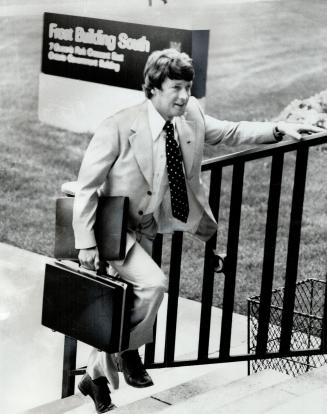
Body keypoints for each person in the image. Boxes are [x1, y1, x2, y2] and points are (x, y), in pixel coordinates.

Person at [72, 48, 322, 412]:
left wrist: (281, 129)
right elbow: (87, 186)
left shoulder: (190, 116)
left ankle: (95, 375)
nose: (184, 95)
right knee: (153, 284)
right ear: (153, 88)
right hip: (111, 228)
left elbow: (231, 132)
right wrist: (85, 242)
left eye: (188, 86)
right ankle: (126, 352)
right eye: (175, 87)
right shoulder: (119, 125)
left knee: (126, 302)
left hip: (145, 226)